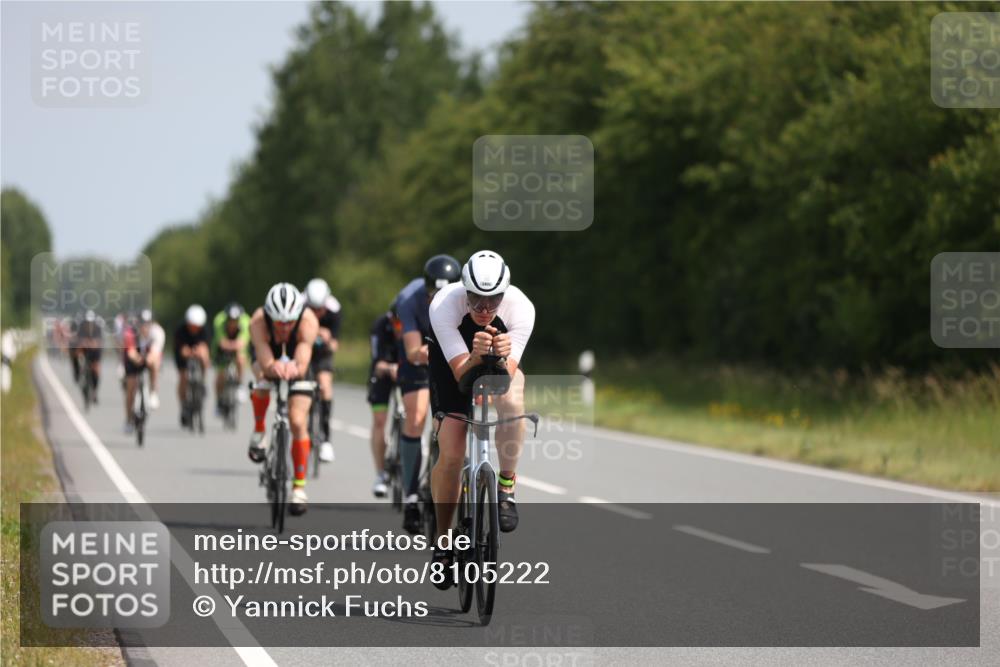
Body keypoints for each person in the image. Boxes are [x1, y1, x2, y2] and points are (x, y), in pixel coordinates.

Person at [428, 250, 534, 582]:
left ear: (505, 294)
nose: (484, 308)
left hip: (499, 364)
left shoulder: (521, 308)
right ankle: (443, 541)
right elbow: (461, 374)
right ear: (464, 289)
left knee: (513, 403)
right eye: (475, 298)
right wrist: (475, 355)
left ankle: (506, 486)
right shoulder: (444, 305)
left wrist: (499, 357)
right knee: (452, 449)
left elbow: (504, 379)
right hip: (453, 364)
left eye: (493, 300)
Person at [392, 254, 462, 533]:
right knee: (417, 416)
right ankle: (411, 495)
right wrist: (427, 352)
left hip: (452, 358)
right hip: (420, 359)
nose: (439, 301)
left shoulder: (465, 299)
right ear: (426, 290)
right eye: (433, 296)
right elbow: (412, 351)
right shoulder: (409, 300)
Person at [247, 283, 319, 515]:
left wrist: (295, 368)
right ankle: (259, 430)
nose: (285, 327)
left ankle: (298, 487)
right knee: (261, 381)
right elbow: (264, 358)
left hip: (297, 361)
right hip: (267, 355)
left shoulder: (308, 321)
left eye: (289, 322)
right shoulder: (258, 321)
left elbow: (303, 358)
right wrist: (272, 367)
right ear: (270, 316)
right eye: (279, 322)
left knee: (297, 421)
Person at [304, 278, 341, 463]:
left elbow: (335, 344)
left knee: (325, 387)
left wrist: (327, 339)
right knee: (301, 389)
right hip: (303, 349)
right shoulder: (299, 306)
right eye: (313, 309)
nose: (317, 313)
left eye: (320, 309)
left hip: (323, 352)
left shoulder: (334, 310)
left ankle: (325, 439)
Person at [366, 305, 402, 497]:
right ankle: (380, 473)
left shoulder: (418, 325)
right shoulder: (380, 326)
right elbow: (377, 362)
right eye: (395, 323)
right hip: (383, 373)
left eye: (402, 323)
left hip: (408, 372)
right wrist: (389, 368)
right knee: (380, 421)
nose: (399, 328)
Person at [121, 311, 162, 431]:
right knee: (130, 388)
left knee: (155, 364)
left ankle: (153, 393)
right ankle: (128, 419)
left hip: (149, 357)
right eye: (142, 324)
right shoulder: (130, 332)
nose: (145, 327)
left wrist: (149, 359)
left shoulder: (158, 332)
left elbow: (155, 351)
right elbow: (130, 351)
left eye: (148, 324)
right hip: (133, 359)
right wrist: (137, 359)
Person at [174, 305, 211, 427]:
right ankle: (184, 404)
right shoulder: (180, 330)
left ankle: (202, 381)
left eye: (197, 326)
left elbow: (204, 347)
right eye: (192, 326)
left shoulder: (204, 330)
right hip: (183, 352)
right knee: (183, 377)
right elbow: (182, 350)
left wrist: (201, 354)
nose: (194, 329)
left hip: (197, 349)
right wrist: (188, 352)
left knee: (204, 356)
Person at [211, 302, 251, 415]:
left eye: (235, 320)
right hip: (220, 349)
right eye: (230, 320)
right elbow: (221, 342)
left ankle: (240, 385)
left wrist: (233, 346)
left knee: (241, 358)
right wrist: (230, 345)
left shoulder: (246, 321)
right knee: (220, 375)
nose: (232, 323)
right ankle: (218, 402)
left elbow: (243, 342)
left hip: (237, 347)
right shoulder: (219, 321)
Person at [73, 310, 104, 401]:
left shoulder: (97, 328)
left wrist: (93, 343)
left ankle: (94, 391)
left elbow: (99, 341)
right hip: (85, 349)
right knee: (77, 353)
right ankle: (79, 372)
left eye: (91, 322)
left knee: (96, 369)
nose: (89, 324)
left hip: (95, 351)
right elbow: (78, 340)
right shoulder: (81, 327)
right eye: (87, 322)